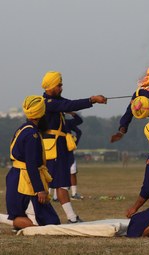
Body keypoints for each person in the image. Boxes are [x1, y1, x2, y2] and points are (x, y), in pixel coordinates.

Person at [42, 71, 107, 223]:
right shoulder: (48, 103)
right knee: (59, 184)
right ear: (51, 86)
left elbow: (70, 103)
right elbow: (69, 105)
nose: (62, 88)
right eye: (59, 85)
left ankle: (71, 217)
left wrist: (92, 100)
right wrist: (92, 99)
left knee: (62, 183)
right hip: (54, 149)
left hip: (59, 148)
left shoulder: (54, 101)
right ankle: (70, 218)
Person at [2, 95, 60, 230]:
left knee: (53, 223)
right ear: (42, 113)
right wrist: (40, 190)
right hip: (25, 183)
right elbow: (31, 164)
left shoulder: (24, 128)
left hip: (17, 177)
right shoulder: (31, 135)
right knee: (42, 226)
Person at [50, 112, 83, 201]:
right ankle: (52, 195)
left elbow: (79, 124)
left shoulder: (66, 123)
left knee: (72, 171)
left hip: (67, 152)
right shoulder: (49, 123)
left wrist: (72, 113)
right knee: (52, 173)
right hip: (53, 151)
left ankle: (74, 193)